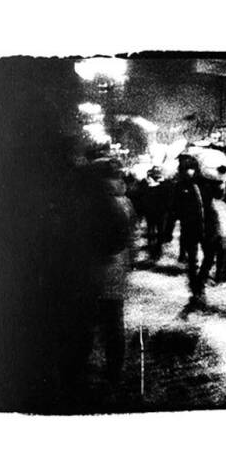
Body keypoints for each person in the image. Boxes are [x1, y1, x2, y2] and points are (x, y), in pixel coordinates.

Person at [88, 159, 135, 383]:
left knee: (101, 317)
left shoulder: (101, 202)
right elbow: (129, 236)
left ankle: (105, 365)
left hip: (101, 266)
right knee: (114, 317)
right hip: (118, 266)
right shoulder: (124, 200)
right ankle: (114, 365)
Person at [174, 153, 217, 308]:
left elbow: (214, 198)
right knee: (192, 261)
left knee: (210, 256)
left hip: (207, 226)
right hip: (190, 227)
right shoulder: (179, 187)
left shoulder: (205, 183)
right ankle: (196, 288)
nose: (189, 172)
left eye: (191, 168)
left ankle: (200, 280)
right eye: (186, 169)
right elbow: (175, 208)